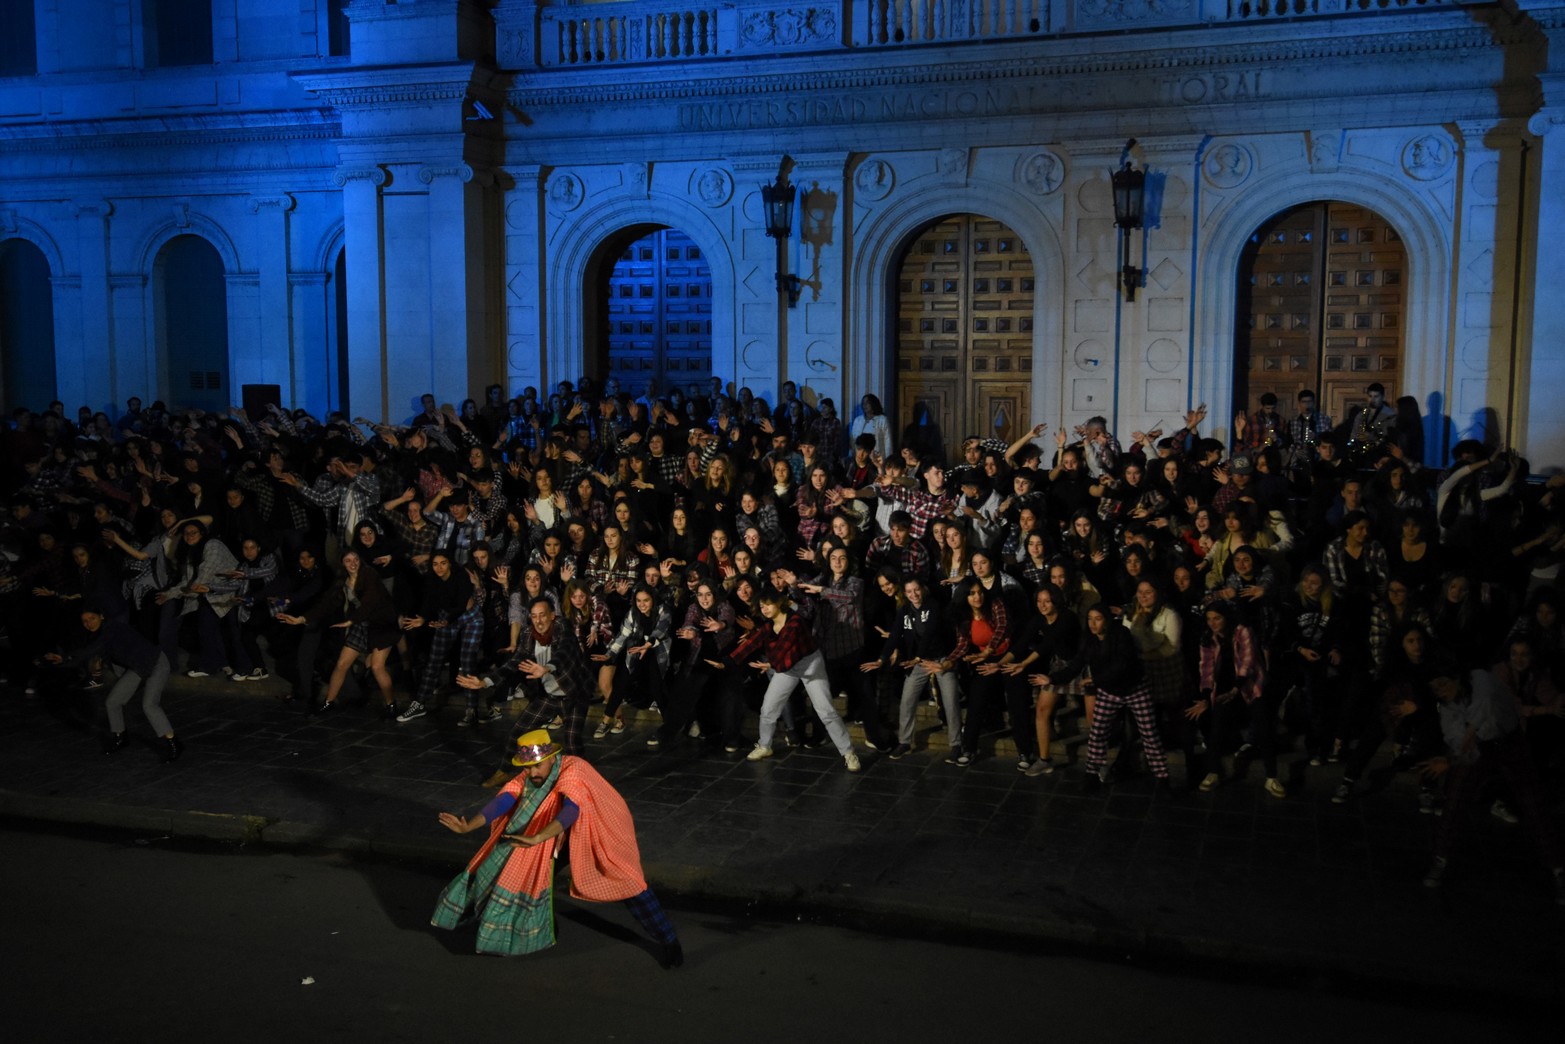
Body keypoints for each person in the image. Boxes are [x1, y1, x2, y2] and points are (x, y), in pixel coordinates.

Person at [433, 730, 684, 964]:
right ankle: (524, 927)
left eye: (537, 766)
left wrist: (538, 837)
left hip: (599, 830)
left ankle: (668, 940)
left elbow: (571, 810)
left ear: (552, 757)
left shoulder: (574, 770)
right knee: (526, 871)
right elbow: (507, 797)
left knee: (629, 882)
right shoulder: (532, 773)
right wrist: (470, 825)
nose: (532, 773)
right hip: (560, 835)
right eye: (527, 767)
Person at [460, 596, 596, 780]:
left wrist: (547, 667)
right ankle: (504, 772)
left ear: (552, 615)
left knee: (572, 742)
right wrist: (485, 682)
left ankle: (584, 779)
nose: (538, 621)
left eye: (542, 615)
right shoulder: (528, 634)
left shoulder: (562, 627)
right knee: (517, 732)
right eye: (534, 616)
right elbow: (514, 662)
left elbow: (564, 651)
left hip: (575, 693)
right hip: (549, 695)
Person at [735, 587, 862, 771]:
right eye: (762, 606)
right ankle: (764, 745)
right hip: (786, 667)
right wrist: (728, 661)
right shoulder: (769, 625)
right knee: (769, 708)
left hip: (810, 665)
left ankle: (848, 752)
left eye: (768, 605)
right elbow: (753, 642)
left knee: (826, 711)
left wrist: (771, 663)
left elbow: (785, 648)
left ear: (778, 603)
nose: (764, 609)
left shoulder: (795, 621)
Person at [45, 603, 182, 762]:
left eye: (92, 618)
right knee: (113, 702)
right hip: (137, 668)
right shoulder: (98, 635)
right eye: (85, 621)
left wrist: (65, 657)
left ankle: (174, 743)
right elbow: (89, 653)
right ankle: (120, 737)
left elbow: (91, 650)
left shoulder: (112, 628)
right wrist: (64, 660)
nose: (89, 623)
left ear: (101, 617)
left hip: (156, 663)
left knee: (149, 705)